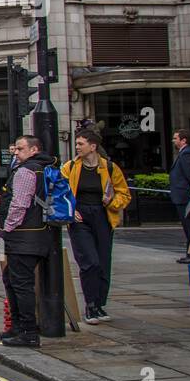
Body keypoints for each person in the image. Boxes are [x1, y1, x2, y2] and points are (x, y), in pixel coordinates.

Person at [0, 134, 56, 348]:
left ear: (34, 149)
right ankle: (17, 328)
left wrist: (7, 228)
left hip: (23, 237)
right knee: (12, 280)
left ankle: (28, 332)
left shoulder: (27, 170)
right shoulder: (39, 168)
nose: (15, 152)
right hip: (33, 235)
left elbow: (20, 205)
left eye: (20, 149)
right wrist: (3, 202)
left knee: (21, 284)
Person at [62, 128, 131, 324]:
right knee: (89, 261)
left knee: (102, 263)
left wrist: (111, 202)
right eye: (76, 144)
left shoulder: (109, 168)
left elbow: (124, 194)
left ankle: (100, 304)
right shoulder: (70, 167)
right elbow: (59, 191)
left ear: (93, 146)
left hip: (102, 216)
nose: (77, 147)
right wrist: (69, 210)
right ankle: (91, 305)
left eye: (80, 144)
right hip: (80, 218)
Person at [170, 130, 190, 262]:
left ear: (184, 140)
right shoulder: (185, 152)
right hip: (182, 195)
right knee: (189, 226)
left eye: (175, 138)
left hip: (185, 196)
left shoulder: (187, 153)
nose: (173, 140)